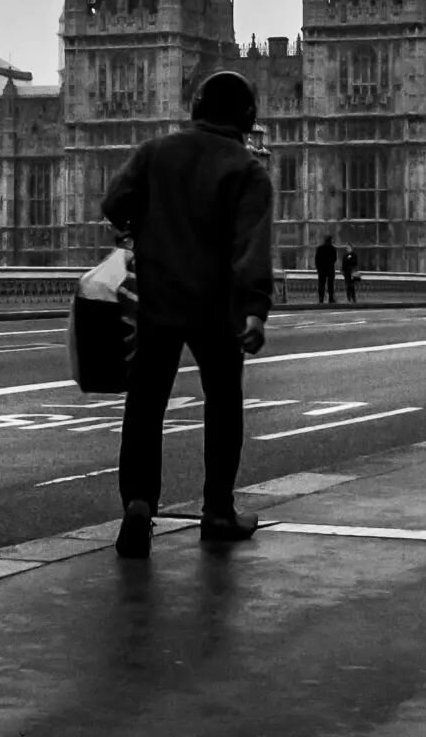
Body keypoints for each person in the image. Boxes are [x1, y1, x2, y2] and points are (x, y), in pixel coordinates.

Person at [101, 69, 273, 559]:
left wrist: (145, 226)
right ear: (246, 118)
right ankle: (217, 510)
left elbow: (114, 203)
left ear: (195, 109)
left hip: (156, 298)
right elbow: (251, 245)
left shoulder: (156, 152)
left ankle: (137, 504)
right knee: (222, 403)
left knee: (146, 403)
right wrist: (255, 310)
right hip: (216, 306)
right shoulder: (247, 170)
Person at [314, 234, 337, 305]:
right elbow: (334, 259)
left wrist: (318, 268)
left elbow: (317, 259)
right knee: (330, 284)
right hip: (330, 269)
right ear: (330, 240)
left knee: (321, 284)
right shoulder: (333, 249)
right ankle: (331, 298)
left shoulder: (320, 248)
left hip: (321, 269)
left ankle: (321, 299)